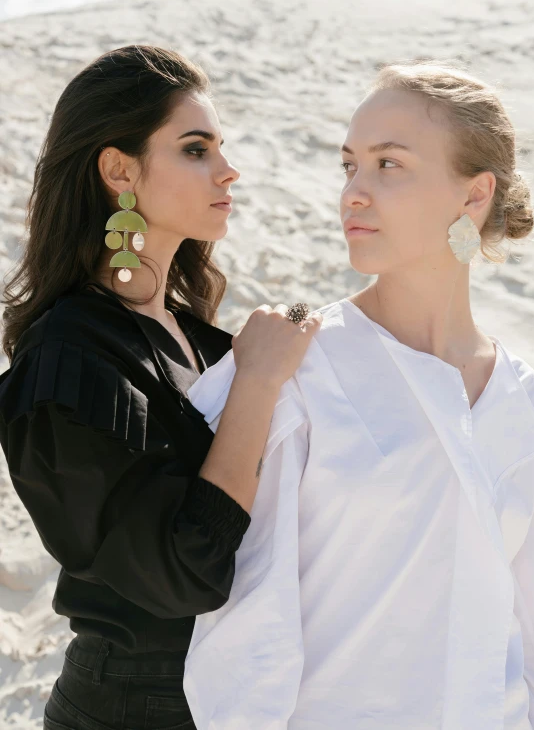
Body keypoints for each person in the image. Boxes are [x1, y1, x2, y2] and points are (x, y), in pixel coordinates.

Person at [182, 60, 534, 729]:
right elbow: (246, 626)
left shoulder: (524, 399)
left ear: (473, 197)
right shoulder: (296, 368)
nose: (354, 191)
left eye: (389, 165)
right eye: (349, 164)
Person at [0, 45, 322, 730]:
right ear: (120, 170)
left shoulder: (199, 339)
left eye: (219, 147)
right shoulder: (68, 358)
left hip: (226, 696)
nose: (227, 170)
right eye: (196, 148)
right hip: (129, 710)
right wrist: (258, 383)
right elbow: (186, 569)